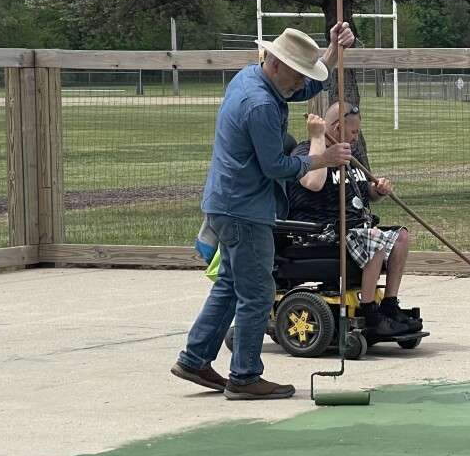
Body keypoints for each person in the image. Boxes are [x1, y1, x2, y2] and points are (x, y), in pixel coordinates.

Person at [171, 26, 355, 400]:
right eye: (298, 71)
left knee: (230, 284)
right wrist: (324, 158)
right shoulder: (260, 105)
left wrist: (333, 50)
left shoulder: (253, 78)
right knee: (257, 292)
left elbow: (306, 86)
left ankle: (195, 358)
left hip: (225, 203)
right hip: (244, 209)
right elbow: (275, 166)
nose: (303, 80)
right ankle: (244, 376)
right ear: (276, 66)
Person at [286, 102, 414, 336]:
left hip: (356, 229)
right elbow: (313, 183)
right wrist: (320, 143)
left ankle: (389, 305)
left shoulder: (352, 155)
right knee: (374, 238)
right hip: (322, 233)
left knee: (401, 237)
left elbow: (368, 195)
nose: (356, 138)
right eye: (353, 132)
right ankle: (368, 312)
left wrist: (379, 190)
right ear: (335, 128)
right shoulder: (304, 153)